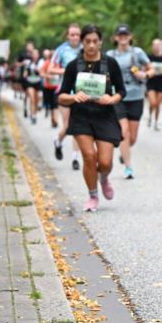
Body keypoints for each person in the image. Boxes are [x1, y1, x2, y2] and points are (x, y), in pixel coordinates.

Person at [58, 25, 127, 212]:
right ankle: (92, 196)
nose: (91, 45)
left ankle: (103, 178)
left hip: (104, 116)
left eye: (95, 41)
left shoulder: (110, 63)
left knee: (104, 163)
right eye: (87, 41)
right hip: (81, 116)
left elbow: (122, 91)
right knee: (89, 157)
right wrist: (73, 97)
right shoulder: (74, 66)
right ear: (82, 42)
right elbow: (61, 95)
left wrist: (111, 98)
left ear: (101, 42)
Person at [106, 24, 151, 179]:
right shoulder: (110, 55)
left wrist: (144, 75)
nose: (123, 37)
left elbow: (150, 68)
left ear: (130, 37)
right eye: (120, 35)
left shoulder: (137, 52)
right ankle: (128, 167)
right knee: (123, 132)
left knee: (132, 138)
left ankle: (125, 154)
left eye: (126, 35)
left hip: (136, 96)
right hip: (118, 97)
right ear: (116, 38)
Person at [50, 24, 83, 169]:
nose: (75, 37)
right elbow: (51, 69)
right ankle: (58, 141)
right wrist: (67, 70)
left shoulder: (85, 49)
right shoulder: (61, 50)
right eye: (72, 35)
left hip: (81, 93)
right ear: (67, 36)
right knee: (69, 125)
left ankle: (75, 158)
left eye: (77, 35)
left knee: (77, 125)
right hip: (64, 92)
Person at [145, 38, 162, 130]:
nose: (156, 46)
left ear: (160, 46)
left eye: (158, 45)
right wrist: (149, 70)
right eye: (155, 45)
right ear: (152, 46)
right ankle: (149, 116)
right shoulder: (149, 57)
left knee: (158, 104)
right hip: (151, 82)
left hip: (160, 83)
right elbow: (144, 68)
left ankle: (156, 123)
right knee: (153, 102)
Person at [21, 41, 42, 125]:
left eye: (36, 54)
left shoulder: (41, 62)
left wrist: (37, 69)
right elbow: (25, 73)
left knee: (37, 99)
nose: (35, 56)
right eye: (33, 54)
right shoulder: (28, 63)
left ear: (38, 55)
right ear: (31, 55)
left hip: (38, 82)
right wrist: (25, 74)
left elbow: (42, 72)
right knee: (32, 98)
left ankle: (34, 114)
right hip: (29, 82)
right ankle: (32, 115)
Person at [39, 48, 60, 128]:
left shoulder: (59, 63)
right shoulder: (47, 63)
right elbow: (41, 73)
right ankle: (53, 119)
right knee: (51, 105)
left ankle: (56, 121)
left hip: (57, 87)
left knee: (56, 104)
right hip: (48, 87)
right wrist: (48, 76)